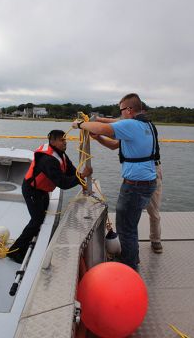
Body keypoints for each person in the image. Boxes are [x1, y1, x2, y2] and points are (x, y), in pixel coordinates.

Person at [72, 93, 157, 270]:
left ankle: (129, 266)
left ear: (129, 110)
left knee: (126, 229)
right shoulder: (146, 125)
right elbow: (112, 145)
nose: (120, 114)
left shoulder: (132, 125)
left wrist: (79, 124)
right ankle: (134, 258)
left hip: (135, 186)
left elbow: (103, 128)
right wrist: (98, 138)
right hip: (146, 183)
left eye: (121, 110)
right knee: (130, 227)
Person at [7, 129, 93, 263]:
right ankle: (15, 251)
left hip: (42, 190)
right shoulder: (48, 160)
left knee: (42, 213)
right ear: (52, 141)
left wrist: (82, 182)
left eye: (65, 139)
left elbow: (71, 171)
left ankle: (35, 235)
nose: (65, 142)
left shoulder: (61, 155)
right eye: (62, 140)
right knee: (37, 220)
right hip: (31, 190)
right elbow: (63, 183)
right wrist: (82, 176)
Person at [141, 102, 163, 254]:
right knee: (130, 211)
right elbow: (114, 143)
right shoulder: (132, 126)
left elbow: (115, 125)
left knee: (153, 210)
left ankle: (156, 240)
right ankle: (128, 243)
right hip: (139, 171)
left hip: (152, 169)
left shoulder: (147, 126)